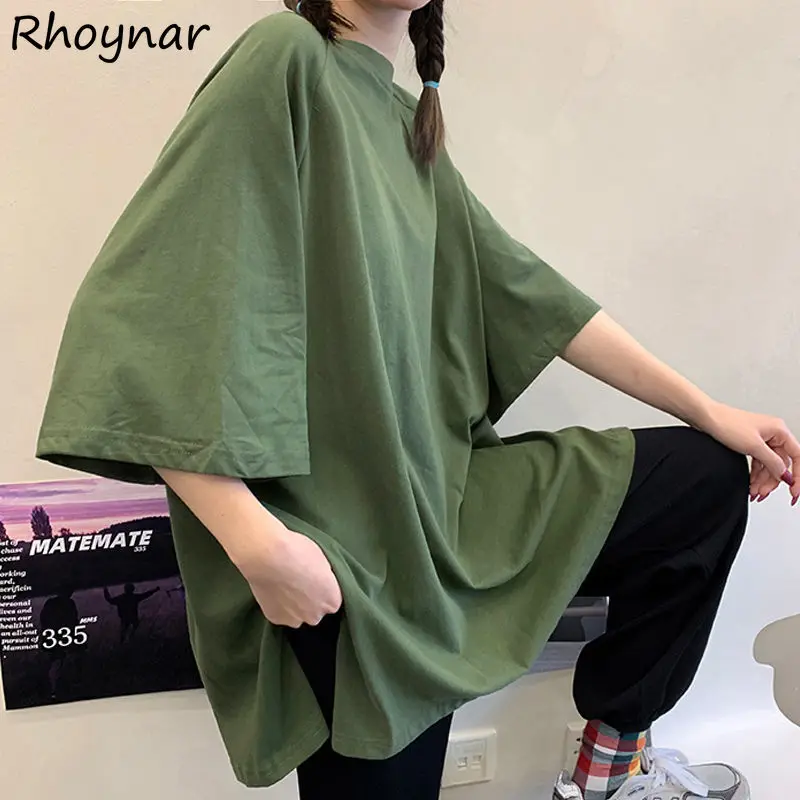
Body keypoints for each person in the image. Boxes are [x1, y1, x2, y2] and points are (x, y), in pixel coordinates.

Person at [34, 3, 798, 799]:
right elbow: (139, 322)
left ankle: (606, 775)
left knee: (700, 482)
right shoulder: (286, 57)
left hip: (442, 509)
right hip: (343, 556)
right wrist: (256, 543)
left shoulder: (408, 121)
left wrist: (709, 410)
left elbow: (536, 297)